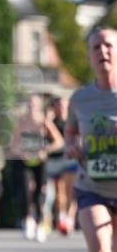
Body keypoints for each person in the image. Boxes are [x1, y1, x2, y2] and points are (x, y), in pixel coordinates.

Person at [65, 24, 117, 252]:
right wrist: (72, 145)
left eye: (109, 45)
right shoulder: (80, 99)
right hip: (92, 186)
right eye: (96, 47)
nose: (103, 52)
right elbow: (70, 131)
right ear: (88, 56)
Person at [10, 94, 63, 242]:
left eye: (34, 104)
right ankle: (28, 221)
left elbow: (59, 142)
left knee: (41, 191)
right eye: (29, 104)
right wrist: (21, 153)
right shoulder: (21, 122)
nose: (31, 107)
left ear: (39, 106)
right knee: (25, 190)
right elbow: (13, 144)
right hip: (24, 161)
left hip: (40, 162)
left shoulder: (44, 122)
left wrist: (44, 151)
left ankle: (40, 223)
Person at [43, 97, 77, 235]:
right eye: (58, 105)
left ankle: (70, 219)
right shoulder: (51, 122)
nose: (61, 108)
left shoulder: (73, 121)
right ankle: (61, 217)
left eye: (64, 105)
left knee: (70, 191)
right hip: (55, 160)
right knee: (58, 193)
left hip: (69, 159)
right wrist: (48, 120)